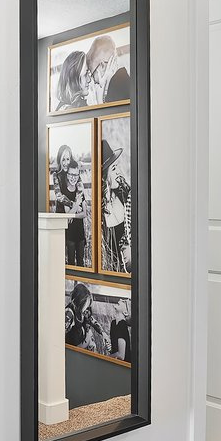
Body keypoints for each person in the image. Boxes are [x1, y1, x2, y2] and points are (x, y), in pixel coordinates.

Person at [101, 138, 131, 274]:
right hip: (114, 273)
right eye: (114, 168)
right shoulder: (99, 210)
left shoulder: (125, 194)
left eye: (117, 166)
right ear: (104, 176)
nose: (118, 171)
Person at [53, 158, 90, 267]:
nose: (73, 177)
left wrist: (73, 212)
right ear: (67, 175)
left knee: (81, 262)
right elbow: (67, 216)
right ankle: (72, 283)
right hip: (70, 235)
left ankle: (79, 284)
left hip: (80, 233)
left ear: (79, 176)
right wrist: (76, 204)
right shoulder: (65, 194)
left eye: (76, 175)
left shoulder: (80, 192)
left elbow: (84, 214)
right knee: (71, 262)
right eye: (71, 174)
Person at [86, 34, 133, 104]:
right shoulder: (118, 80)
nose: (91, 80)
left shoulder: (119, 83)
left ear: (102, 66)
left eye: (92, 74)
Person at [65, 282, 106, 353]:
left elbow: (93, 321)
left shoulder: (83, 311)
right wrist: (88, 338)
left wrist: (103, 333)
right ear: (79, 302)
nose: (87, 307)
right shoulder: (69, 313)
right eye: (86, 304)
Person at [108, 298, 132, 363]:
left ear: (125, 312)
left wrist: (106, 357)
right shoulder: (113, 323)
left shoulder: (122, 324)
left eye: (124, 302)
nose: (120, 299)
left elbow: (121, 356)